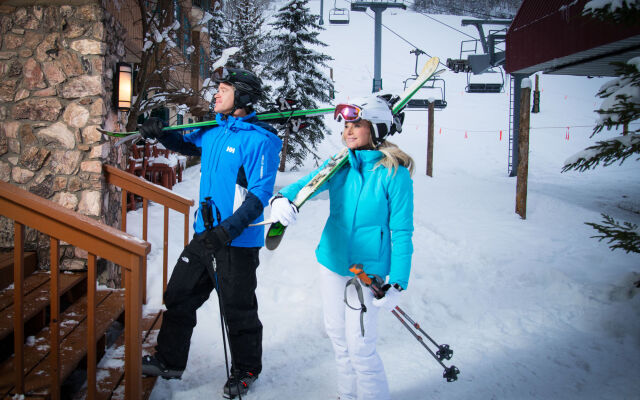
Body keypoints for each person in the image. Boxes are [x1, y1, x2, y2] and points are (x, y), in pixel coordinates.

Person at [138, 67, 282, 398]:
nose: (216, 94)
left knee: (238, 309)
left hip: (236, 243)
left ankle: (246, 370)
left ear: (242, 98)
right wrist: (159, 132)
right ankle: (169, 361)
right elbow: (185, 144)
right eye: (217, 89)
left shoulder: (262, 141)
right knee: (178, 295)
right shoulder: (213, 131)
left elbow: (259, 196)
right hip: (204, 235)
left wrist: (227, 231)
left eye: (223, 90)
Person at [270, 95, 414, 400]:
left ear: (375, 129)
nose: (348, 131)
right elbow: (306, 184)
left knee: (361, 347)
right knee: (337, 338)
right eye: (346, 125)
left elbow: (402, 231)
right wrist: (283, 199)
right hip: (332, 261)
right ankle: (346, 396)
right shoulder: (338, 165)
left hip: (367, 271)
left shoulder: (394, 174)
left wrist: (398, 281)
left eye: (356, 124)